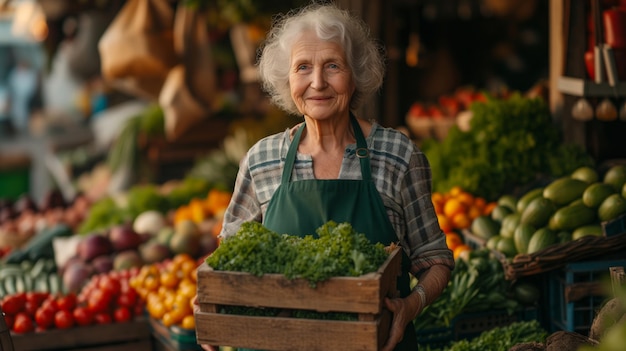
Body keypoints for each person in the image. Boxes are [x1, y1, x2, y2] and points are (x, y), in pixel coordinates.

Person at [195, 3, 454, 351]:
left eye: (332, 65)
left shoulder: (398, 156)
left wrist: (412, 305)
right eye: (303, 67)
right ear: (288, 79)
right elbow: (229, 257)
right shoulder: (262, 159)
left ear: (356, 74)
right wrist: (211, 299)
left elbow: (435, 259)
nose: (317, 82)